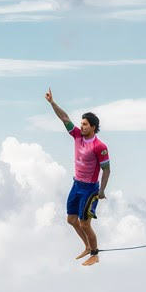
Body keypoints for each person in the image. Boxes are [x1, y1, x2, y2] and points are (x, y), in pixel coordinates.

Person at [45, 87, 110, 266]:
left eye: (85, 124)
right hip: (76, 185)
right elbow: (64, 118)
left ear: (93, 127)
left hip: (90, 189)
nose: (81, 126)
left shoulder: (99, 146)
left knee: (85, 224)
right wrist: (52, 103)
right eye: (81, 124)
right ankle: (88, 247)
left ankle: (95, 254)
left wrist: (102, 190)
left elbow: (107, 169)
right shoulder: (77, 136)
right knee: (71, 219)